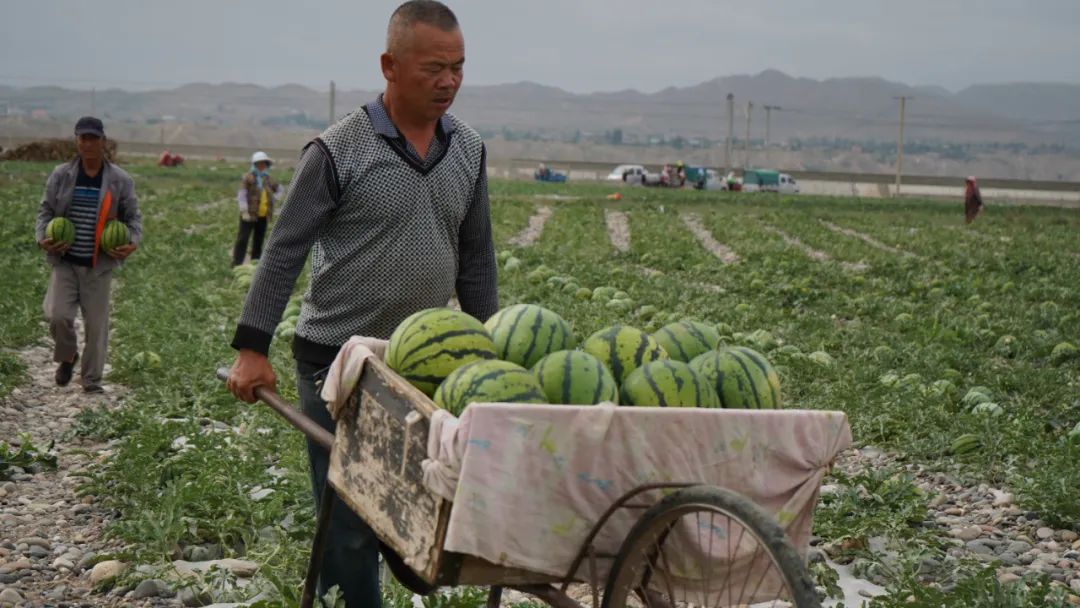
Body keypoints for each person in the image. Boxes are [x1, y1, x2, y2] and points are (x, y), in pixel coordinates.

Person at [225, 2, 497, 605]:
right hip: (336, 364)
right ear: (390, 66)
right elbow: (284, 250)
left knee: (416, 515)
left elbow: (476, 259)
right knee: (348, 522)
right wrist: (251, 347)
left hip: (425, 368)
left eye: (457, 67)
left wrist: (490, 355)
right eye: (433, 68)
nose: (448, 81)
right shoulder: (337, 150)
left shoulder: (469, 150)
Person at [35, 116, 141, 393]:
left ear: (103, 142)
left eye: (94, 138)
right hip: (65, 261)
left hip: (99, 265)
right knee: (57, 316)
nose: (88, 143)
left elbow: (133, 218)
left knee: (96, 327)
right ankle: (68, 356)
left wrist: (132, 241)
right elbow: (46, 211)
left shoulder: (120, 180)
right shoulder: (61, 175)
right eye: (83, 138)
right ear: (77, 141)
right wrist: (42, 238)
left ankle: (91, 381)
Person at [232, 151, 284, 266]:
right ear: (254, 165)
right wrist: (244, 210)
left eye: (264, 164)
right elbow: (242, 194)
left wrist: (274, 199)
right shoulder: (248, 177)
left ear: (267, 165)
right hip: (249, 214)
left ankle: (255, 263)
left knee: (258, 240)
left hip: (263, 215)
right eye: (259, 164)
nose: (262, 166)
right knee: (243, 239)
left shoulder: (268, 179)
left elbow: (280, 189)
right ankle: (236, 263)